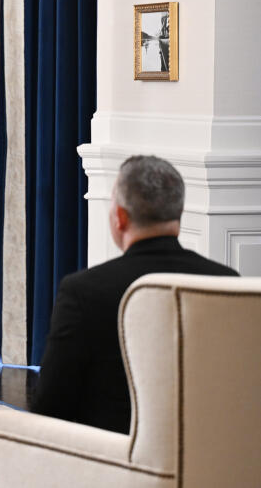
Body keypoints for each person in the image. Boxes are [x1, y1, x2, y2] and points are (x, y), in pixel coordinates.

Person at [31, 155, 238, 433]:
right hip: (207, 452)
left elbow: (50, 407)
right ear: (178, 213)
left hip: (115, 454)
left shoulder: (84, 291)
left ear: (120, 217)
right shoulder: (226, 282)